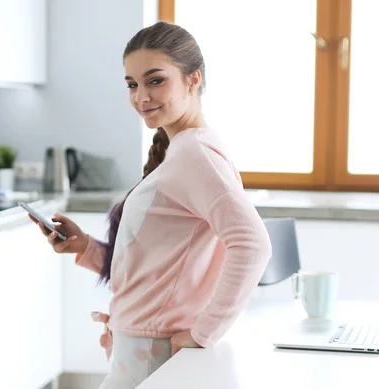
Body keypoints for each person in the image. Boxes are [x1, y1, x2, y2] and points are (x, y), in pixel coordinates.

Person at [30, 21, 272, 389]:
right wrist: (88, 249)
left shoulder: (195, 155)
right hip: (143, 349)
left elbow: (253, 245)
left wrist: (204, 332)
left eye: (155, 80)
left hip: (153, 352)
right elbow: (161, 264)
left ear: (193, 79)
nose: (141, 96)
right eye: (132, 84)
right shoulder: (183, 151)